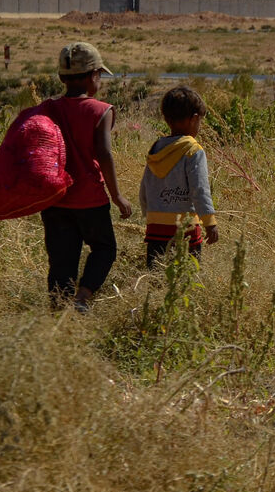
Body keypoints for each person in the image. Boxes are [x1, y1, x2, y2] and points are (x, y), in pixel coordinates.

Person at [39, 42, 133, 311]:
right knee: (104, 249)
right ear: (93, 76)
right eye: (100, 75)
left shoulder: (48, 109)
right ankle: (82, 299)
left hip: (55, 200)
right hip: (90, 200)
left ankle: (59, 314)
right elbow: (104, 153)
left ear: (60, 78)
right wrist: (116, 195)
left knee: (61, 261)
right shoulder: (101, 110)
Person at [139, 86, 219, 267]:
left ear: (167, 119)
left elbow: (145, 185)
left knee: (157, 276)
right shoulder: (193, 150)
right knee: (185, 280)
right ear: (194, 119)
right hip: (186, 228)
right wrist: (210, 222)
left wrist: (148, 213)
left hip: (155, 227)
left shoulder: (157, 148)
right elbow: (199, 189)